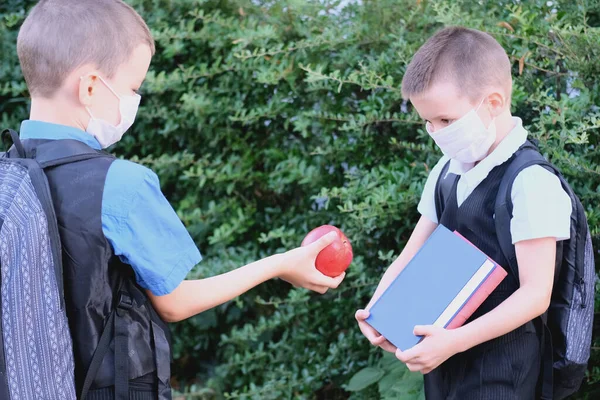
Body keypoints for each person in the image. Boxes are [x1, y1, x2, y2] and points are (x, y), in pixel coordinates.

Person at [14, 1, 345, 398]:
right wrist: (279, 264)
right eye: (132, 88)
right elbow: (175, 302)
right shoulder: (121, 183)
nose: (134, 100)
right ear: (89, 87)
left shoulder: (6, 176)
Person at [355, 26, 572, 399]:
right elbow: (412, 254)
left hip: (503, 369)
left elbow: (536, 294)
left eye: (446, 121)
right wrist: (379, 311)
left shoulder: (530, 182)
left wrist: (453, 342)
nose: (434, 132)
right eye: (427, 122)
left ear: (493, 102)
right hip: (441, 358)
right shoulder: (446, 170)